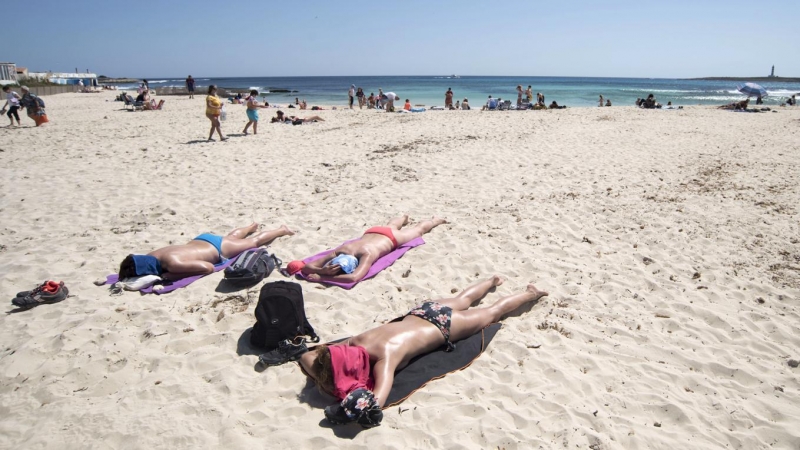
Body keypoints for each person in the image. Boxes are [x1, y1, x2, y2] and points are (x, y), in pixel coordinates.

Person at [299, 276, 549, 427]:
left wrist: (342, 397)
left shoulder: (386, 358)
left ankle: (531, 293)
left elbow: (377, 399)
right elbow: (308, 356)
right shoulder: (355, 342)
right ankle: (492, 280)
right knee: (462, 299)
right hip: (422, 312)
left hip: (444, 327)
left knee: (492, 313)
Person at [287, 215, 446, 283]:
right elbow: (307, 267)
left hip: (390, 239)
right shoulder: (349, 250)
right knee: (395, 226)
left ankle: (434, 220)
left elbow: (353, 277)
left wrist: (323, 276)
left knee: (417, 231)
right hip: (374, 232)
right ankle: (404, 217)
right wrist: (322, 272)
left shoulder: (360, 252)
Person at [118, 223, 294, 280]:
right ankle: (250, 226)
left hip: (217, 249)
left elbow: (208, 268)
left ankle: (281, 230)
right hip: (201, 240)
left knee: (254, 242)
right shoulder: (151, 255)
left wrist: (172, 276)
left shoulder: (172, 264)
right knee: (231, 237)